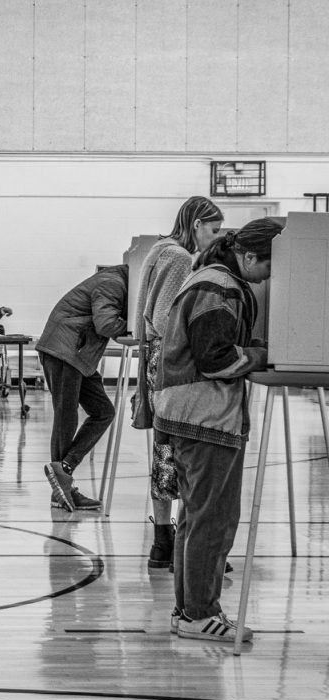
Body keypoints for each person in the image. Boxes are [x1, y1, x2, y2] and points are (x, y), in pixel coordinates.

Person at [154, 217, 282, 642]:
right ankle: (199, 614)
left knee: (194, 518)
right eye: (268, 267)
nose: (269, 278)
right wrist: (262, 355)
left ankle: (188, 611)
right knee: (214, 520)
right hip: (204, 415)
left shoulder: (211, 279)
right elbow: (217, 359)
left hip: (185, 411)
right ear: (247, 255)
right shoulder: (220, 287)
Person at [132, 197, 224, 568]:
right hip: (171, 360)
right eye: (213, 230)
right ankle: (181, 543)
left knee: (164, 449)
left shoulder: (158, 249)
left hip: (156, 358)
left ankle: (163, 542)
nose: (214, 239)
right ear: (197, 223)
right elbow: (164, 316)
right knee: (181, 451)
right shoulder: (179, 257)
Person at [37, 265, 128, 512]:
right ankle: (62, 484)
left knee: (103, 411)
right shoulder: (113, 284)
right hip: (65, 350)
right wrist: (135, 324)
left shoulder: (116, 282)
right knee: (66, 416)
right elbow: (106, 324)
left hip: (76, 353)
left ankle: (64, 471)